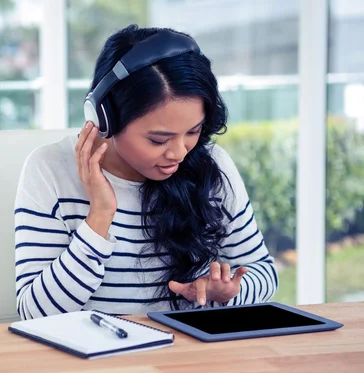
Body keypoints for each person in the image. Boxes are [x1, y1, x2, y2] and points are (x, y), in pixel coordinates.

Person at [14, 24, 278, 319]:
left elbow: (264, 273)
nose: (179, 152)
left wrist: (229, 292)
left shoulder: (211, 165)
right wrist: (99, 217)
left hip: (189, 357)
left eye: (193, 131)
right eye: (158, 139)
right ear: (105, 118)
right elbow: (34, 314)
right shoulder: (49, 170)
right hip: (92, 360)